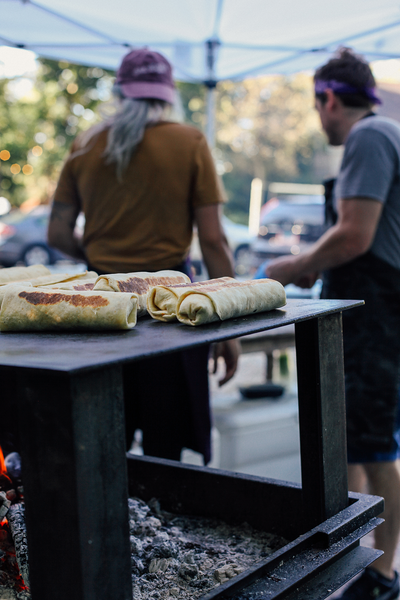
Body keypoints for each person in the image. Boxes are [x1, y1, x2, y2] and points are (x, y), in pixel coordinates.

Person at [47, 48, 240, 464]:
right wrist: (230, 329)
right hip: (169, 311)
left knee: (102, 439)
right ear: (167, 94)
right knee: (164, 451)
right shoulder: (189, 142)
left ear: (121, 92)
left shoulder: (86, 144)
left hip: (100, 305)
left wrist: (100, 258)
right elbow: (213, 241)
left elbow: (57, 232)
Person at [266, 48, 400, 600]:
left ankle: (378, 574)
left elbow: (353, 235)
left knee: (370, 445)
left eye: (316, 104)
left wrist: (288, 269)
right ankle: (362, 567)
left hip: (375, 316)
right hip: (371, 313)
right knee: (356, 445)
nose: (318, 118)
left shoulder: (370, 137)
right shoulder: (384, 135)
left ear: (327, 97)